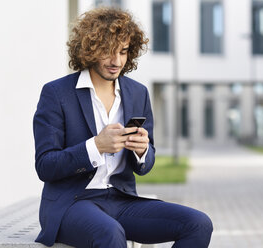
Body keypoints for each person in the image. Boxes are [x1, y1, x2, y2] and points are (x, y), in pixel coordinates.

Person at [33, 7, 213, 248]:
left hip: (121, 200)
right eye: (108, 52)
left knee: (198, 223)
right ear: (89, 49)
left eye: (123, 52)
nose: (116, 61)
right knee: (110, 233)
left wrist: (142, 151)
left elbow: (146, 165)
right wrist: (96, 146)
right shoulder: (56, 93)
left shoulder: (138, 93)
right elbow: (45, 166)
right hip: (71, 204)